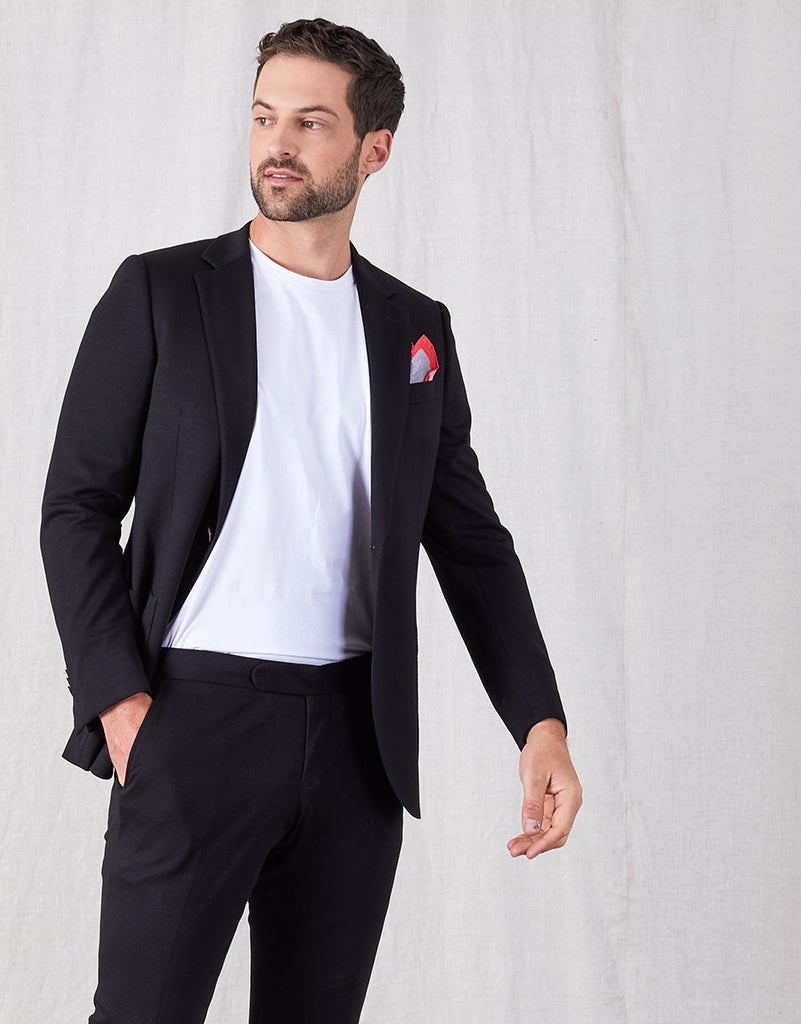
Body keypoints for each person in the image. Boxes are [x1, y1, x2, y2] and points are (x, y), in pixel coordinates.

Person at [40, 17, 582, 1024]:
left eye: (310, 122)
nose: (276, 144)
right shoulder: (162, 292)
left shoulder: (414, 329)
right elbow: (75, 505)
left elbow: (470, 543)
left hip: (354, 739)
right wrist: (119, 701)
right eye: (263, 117)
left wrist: (538, 722)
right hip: (193, 721)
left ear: (375, 150)